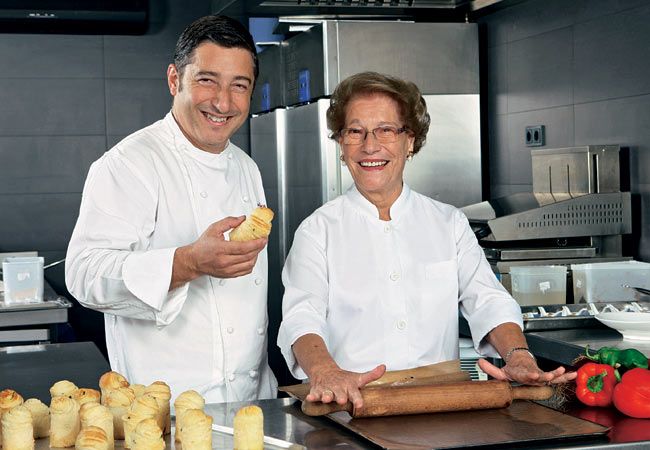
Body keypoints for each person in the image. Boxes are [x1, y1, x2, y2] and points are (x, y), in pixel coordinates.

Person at [277, 72, 576, 410]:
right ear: (341, 144)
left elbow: (488, 300)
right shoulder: (317, 231)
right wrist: (325, 371)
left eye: (386, 130)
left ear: (410, 142)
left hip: (439, 405)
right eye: (355, 131)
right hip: (350, 406)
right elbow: (302, 316)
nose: (369, 145)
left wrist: (518, 354)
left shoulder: (448, 222)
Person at [65, 15, 277, 403]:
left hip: (252, 402)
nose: (223, 102)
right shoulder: (129, 163)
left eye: (239, 86)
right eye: (207, 80)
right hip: (163, 411)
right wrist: (188, 262)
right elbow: (84, 274)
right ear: (174, 80)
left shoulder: (247, 167)